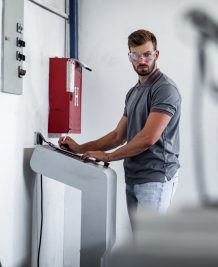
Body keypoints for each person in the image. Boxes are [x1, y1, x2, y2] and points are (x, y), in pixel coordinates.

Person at [59, 29, 181, 228]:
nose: (142, 60)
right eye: (136, 55)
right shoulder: (133, 92)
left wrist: (108, 157)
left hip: (156, 176)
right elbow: (118, 135)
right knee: (138, 246)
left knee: (149, 246)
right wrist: (80, 148)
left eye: (147, 54)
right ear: (129, 56)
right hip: (133, 176)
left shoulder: (164, 89)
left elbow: (148, 137)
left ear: (156, 55)